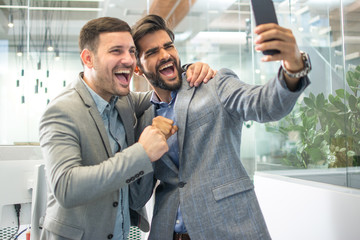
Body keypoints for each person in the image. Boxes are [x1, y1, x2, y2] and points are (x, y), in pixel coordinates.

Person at [131, 14, 312, 240]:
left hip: (227, 228)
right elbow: (137, 198)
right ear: (138, 68)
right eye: (152, 52)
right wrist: (144, 152)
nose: (165, 55)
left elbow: (266, 104)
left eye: (168, 46)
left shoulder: (213, 83)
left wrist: (293, 65)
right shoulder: (143, 120)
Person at [38, 17, 215, 240]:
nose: (129, 60)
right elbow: (66, 188)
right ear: (88, 58)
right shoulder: (61, 111)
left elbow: (162, 91)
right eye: (116, 51)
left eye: (132, 52)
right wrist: (141, 153)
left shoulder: (124, 100)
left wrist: (190, 70)